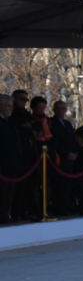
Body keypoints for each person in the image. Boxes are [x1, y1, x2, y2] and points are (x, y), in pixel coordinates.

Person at [0, 94, 26, 223]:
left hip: (12, 163)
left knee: (10, 192)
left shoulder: (10, 121)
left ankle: (5, 214)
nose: (11, 109)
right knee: (2, 190)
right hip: (3, 163)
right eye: (8, 106)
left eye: (12, 107)